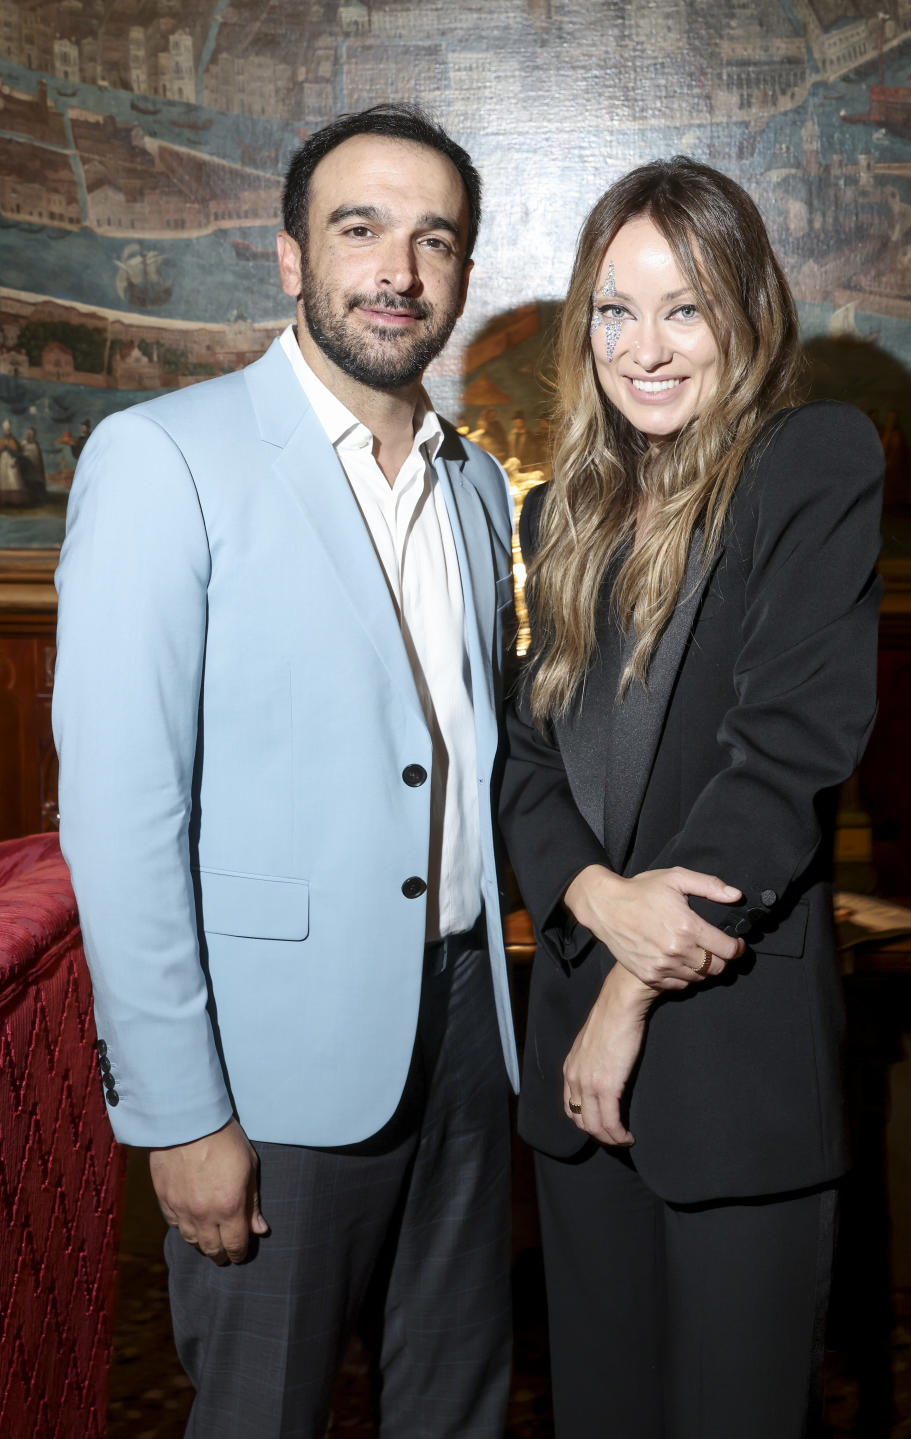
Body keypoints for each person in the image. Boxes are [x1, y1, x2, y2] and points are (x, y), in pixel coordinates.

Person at [54, 103, 519, 1439]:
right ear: (286, 255)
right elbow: (123, 816)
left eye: (436, 238)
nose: (399, 271)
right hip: (272, 1069)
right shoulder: (164, 459)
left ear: (464, 271)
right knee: (263, 1410)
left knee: (459, 1403)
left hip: (468, 1033)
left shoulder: (475, 484)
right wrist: (180, 1111)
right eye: (359, 228)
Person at [499, 156, 883, 1439]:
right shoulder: (565, 510)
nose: (645, 348)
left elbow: (783, 758)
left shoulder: (809, 461)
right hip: (572, 1077)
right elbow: (523, 760)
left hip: (728, 1062)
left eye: (686, 307)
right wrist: (594, 897)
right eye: (616, 309)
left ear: (747, 312)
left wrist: (622, 999)